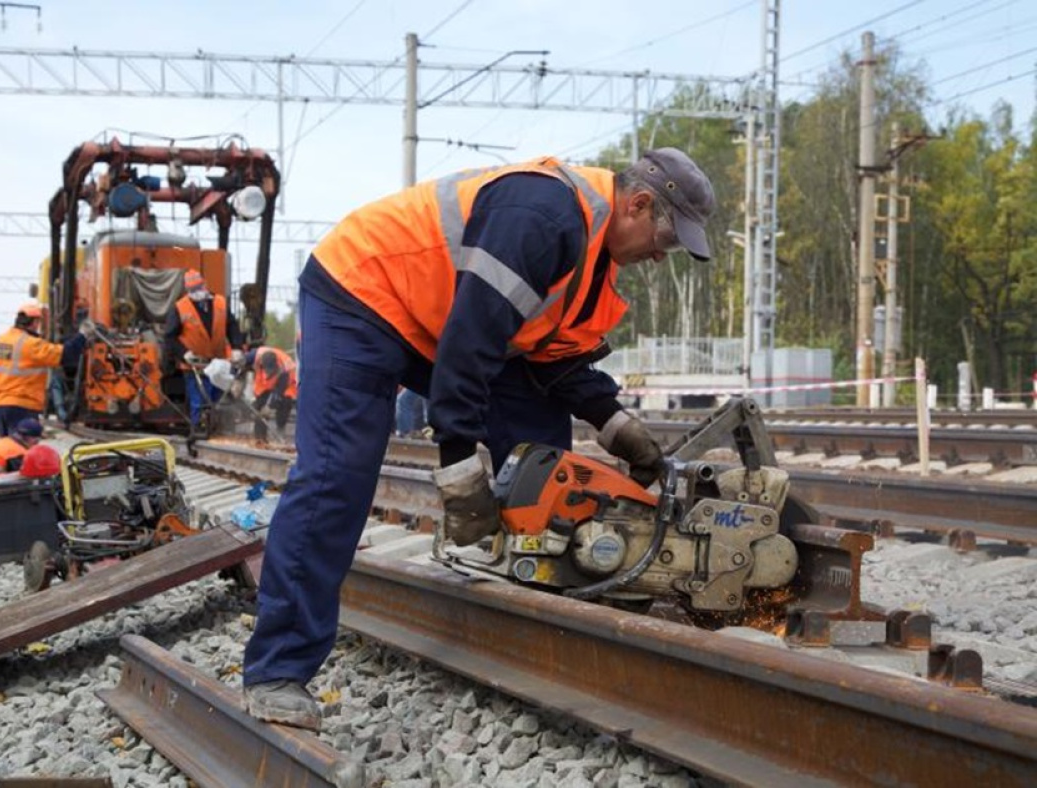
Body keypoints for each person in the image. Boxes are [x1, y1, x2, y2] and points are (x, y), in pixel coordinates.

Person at [240, 148, 717, 731]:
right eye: (664, 241)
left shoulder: (594, 258)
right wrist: (459, 464)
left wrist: (620, 430)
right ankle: (277, 670)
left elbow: (554, 363)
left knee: (547, 460)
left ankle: (550, 610)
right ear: (638, 204)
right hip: (362, 294)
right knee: (338, 475)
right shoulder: (545, 217)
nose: (658, 257)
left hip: (437, 320)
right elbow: (472, 342)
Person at [0, 302, 91, 437]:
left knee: (7, 448)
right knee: (22, 449)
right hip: (22, 406)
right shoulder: (31, 344)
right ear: (35, 322)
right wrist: (83, 335)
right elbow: (64, 355)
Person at [163, 269, 243, 426]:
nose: (197, 292)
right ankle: (199, 431)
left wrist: (237, 347)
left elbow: (232, 325)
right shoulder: (179, 308)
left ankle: (216, 429)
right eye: (193, 290)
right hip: (195, 364)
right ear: (187, 290)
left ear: (204, 284)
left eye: (199, 287)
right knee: (199, 400)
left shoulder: (220, 303)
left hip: (218, 363)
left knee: (217, 399)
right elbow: (169, 337)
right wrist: (184, 353)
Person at [244, 346, 298, 439]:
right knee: (259, 409)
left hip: (285, 388)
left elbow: (278, 392)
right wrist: (237, 381)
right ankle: (260, 438)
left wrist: (269, 406)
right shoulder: (254, 356)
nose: (269, 373)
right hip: (263, 387)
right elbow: (238, 363)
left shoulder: (285, 369)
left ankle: (280, 428)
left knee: (284, 402)